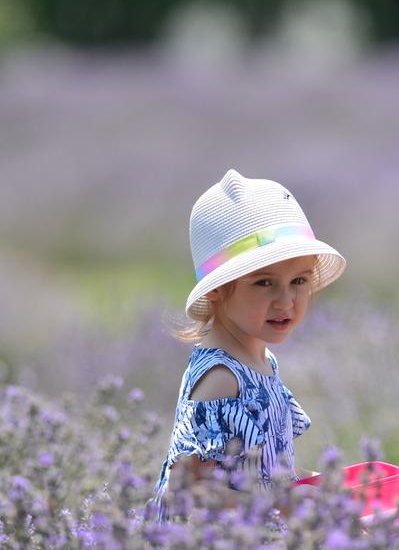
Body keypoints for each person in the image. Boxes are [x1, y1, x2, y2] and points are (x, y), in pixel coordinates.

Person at [146, 169, 345, 523]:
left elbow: (268, 466)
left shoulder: (262, 361)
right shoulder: (222, 378)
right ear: (218, 289)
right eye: (264, 283)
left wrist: (314, 489)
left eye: (298, 280)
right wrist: (283, 505)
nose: (286, 301)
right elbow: (190, 489)